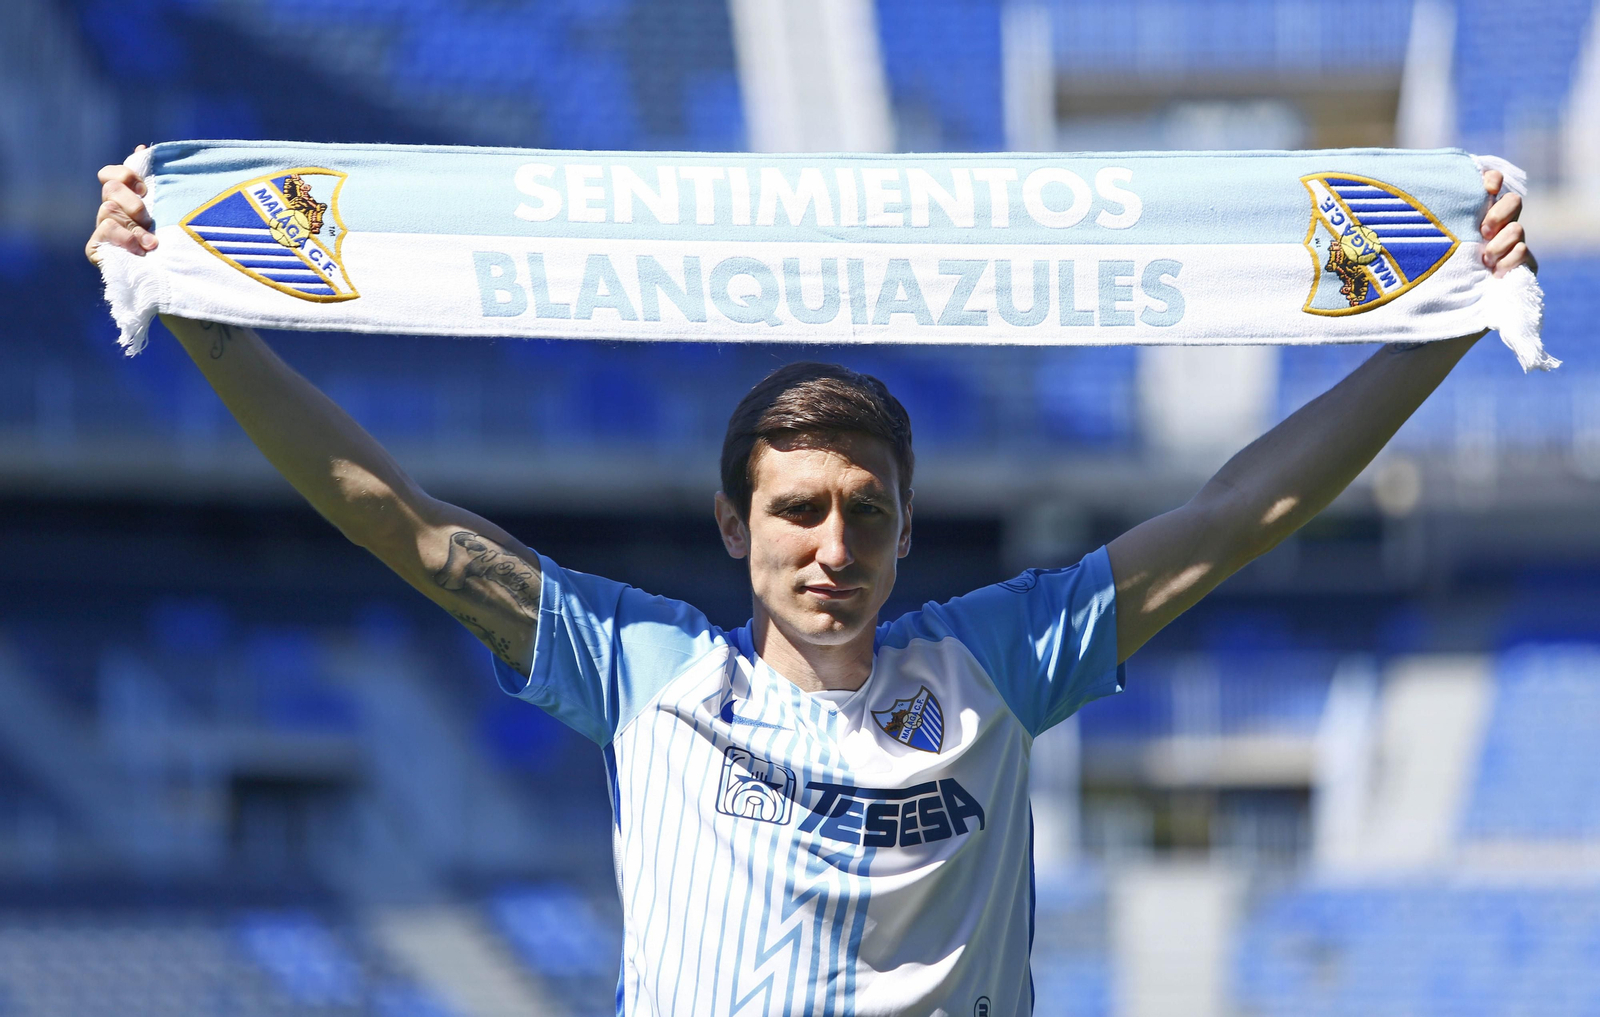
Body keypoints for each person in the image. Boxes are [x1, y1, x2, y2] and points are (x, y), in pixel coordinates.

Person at [88, 151, 1533, 1016]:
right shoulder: (642, 669)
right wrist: (210, 322)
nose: (830, 546)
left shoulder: (1000, 662)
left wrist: (1442, 329)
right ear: (734, 525)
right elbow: (397, 517)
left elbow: (1238, 512)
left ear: (906, 533)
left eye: (864, 513)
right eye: (796, 511)